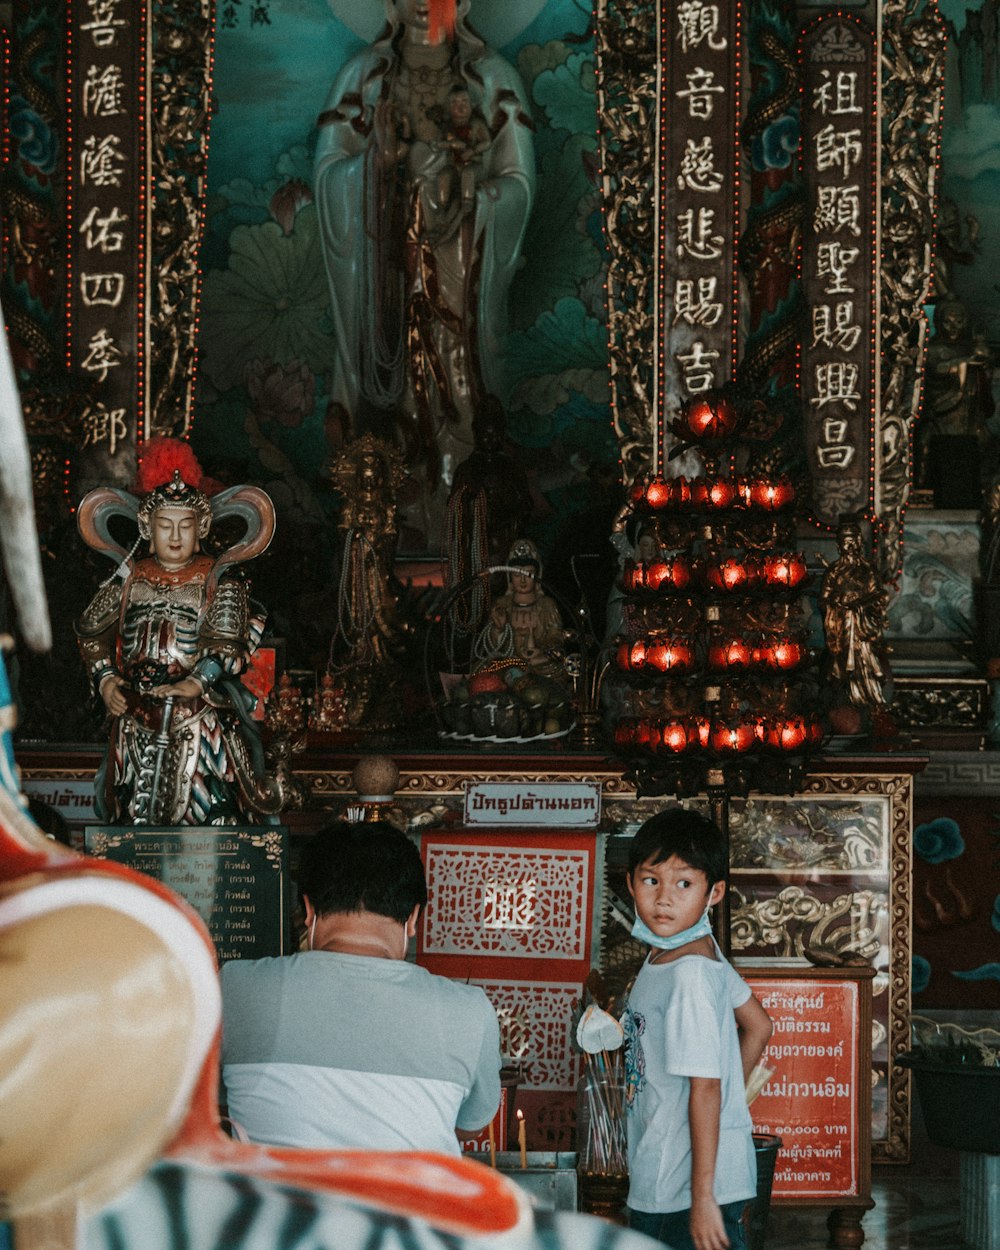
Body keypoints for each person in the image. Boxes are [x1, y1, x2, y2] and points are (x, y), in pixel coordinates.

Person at [313, 0, 535, 550]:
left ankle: (468, 533)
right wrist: (375, 170)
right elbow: (327, 175)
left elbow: (519, 184)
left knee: (463, 396)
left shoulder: (492, 79)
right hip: (387, 274)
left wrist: (469, 204)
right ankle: (397, 532)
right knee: (392, 404)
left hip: (462, 278)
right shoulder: (362, 78)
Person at [220, 819, 502, 1153]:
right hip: (412, 1205)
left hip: (274, 1203)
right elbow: (471, 1127)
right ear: (413, 918)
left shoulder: (234, 989)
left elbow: (206, 1106)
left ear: (308, 910)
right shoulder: (469, 1012)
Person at [75, 439, 281, 825]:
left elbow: (228, 642)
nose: (174, 536)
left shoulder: (218, 578)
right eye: (165, 526)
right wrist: (105, 679)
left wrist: (198, 682)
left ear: (201, 528)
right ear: (147, 528)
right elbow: (91, 632)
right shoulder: (129, 577)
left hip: (197, 718)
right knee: (129, 822)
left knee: (213, 816)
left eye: (185, 526)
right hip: (135, 719)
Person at [621, 808, 773, 1250]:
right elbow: (760, 1026)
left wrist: (702, 1198)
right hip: (673, 1171)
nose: (664, 899)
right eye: (652, 881)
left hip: (683, 1188)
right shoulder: (684, 953)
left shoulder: (690, 974)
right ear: (630, 882)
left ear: (715, 892)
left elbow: (704, 1087)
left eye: (684, 884)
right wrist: (729, 1106)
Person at [820, 518, 890, 709]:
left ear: (860, 542)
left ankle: (868, 696)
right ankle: (842, 695)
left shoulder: (868, 570)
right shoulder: (834, 572)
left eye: (853, 541)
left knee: (867, 661)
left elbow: (880, 594)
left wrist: (860, 605)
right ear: (838, 545)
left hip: (863, 626)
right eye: (845, 541)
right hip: (841, 625)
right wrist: (835, 602)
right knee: (839, 661)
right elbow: (823, 600)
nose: (850, 546)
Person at [474, 538, 567, 678]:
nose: (522, 581)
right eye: (517, 575)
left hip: (538, 663)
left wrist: (543, 653)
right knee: (484, 670)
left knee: (560, 669)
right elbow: (493, 649)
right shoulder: (502, 604)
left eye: (528, 574)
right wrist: (499, 629)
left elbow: (556, 637)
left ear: (537, 576)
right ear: (510, 577)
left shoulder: (547, 604)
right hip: (508, 663)